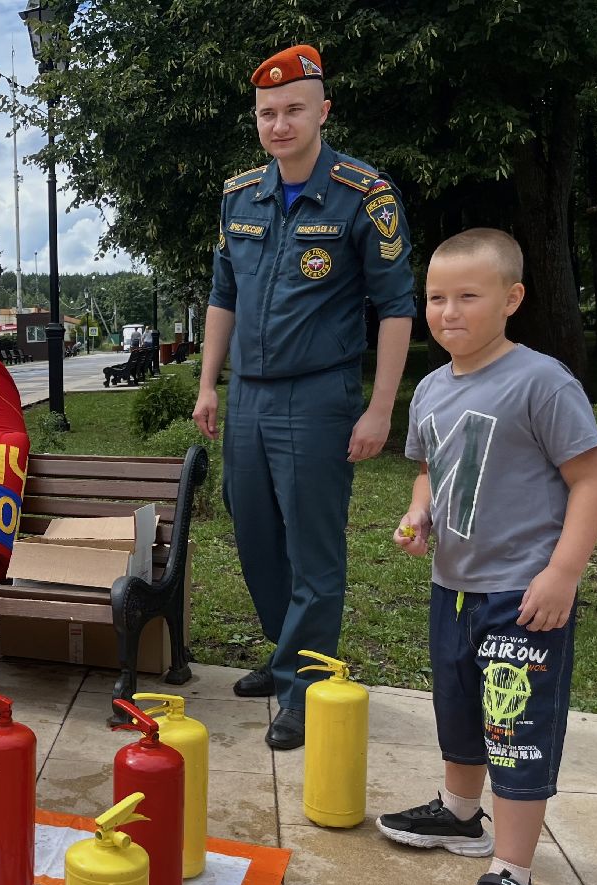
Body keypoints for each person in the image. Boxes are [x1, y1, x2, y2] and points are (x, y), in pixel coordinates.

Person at [378, 228, 597, 885]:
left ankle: (513, 878)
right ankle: (458, 814)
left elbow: (592, 481)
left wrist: (562, 573)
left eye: (467, 297)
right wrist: (420, 512)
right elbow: (428, 467)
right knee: (456, 706)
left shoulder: (540, 381)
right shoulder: (430, 387)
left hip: (521, 594)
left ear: (511, 299)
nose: (448, 312)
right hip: (454, 586)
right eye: (435, 298)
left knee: (515, 729)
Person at [194, 44, 414, 749]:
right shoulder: (238, 195)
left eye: (294, 110)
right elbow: (223, 295)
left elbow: (397, 304)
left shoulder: (365, 194)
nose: (280, 124)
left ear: (323, 111)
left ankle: (305, 684)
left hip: (320, 395)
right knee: (255, 535)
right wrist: (207, 383)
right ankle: (286, 651)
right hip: (249, 397)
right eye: (267, 113)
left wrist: (380, 407)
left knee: (314, 548)